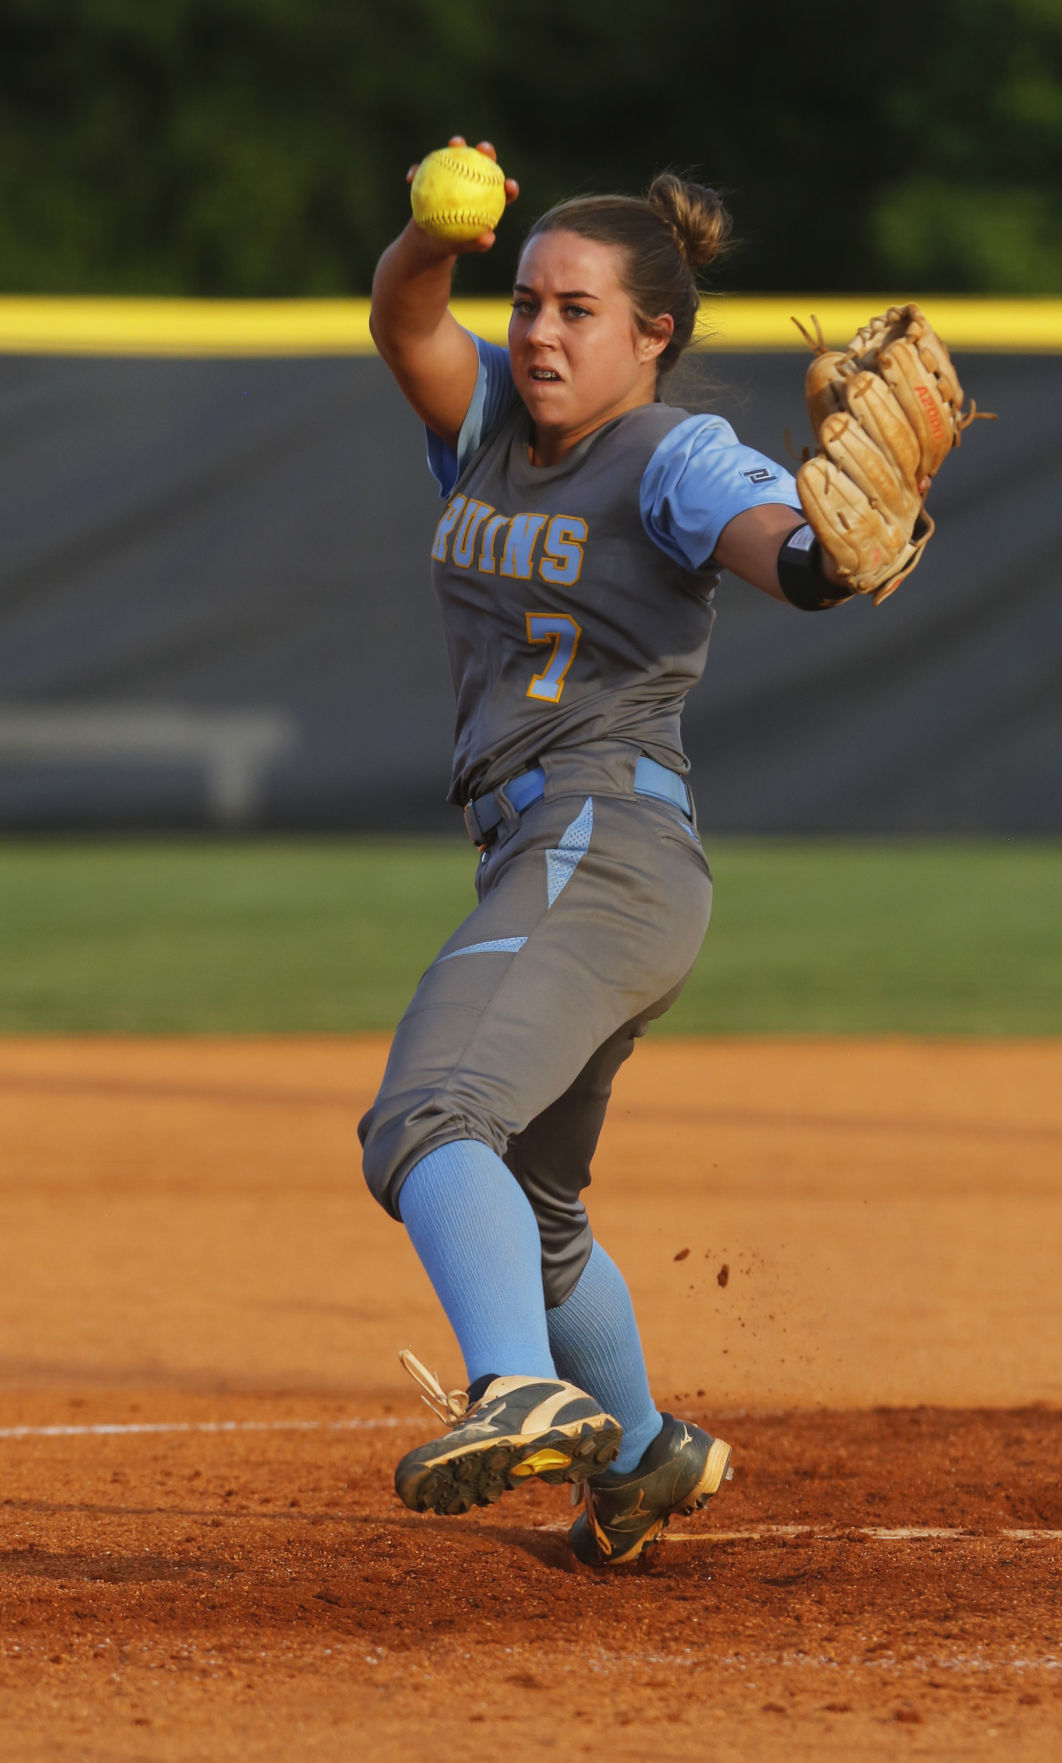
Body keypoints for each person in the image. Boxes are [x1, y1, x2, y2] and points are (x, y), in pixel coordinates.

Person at [359, 136, 861, 1568]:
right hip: (563, 853)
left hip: (603, 836)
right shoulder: (490, 430)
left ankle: (517, 1383)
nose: (536, 332)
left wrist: (823, 559)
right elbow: (404, 317)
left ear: (655, 335)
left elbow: (778, 546)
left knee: (428, 1115)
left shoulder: (679, 456)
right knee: (532, 1196)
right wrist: (428, 238)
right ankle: (639, 1459)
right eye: (525, 301)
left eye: (575, 310)